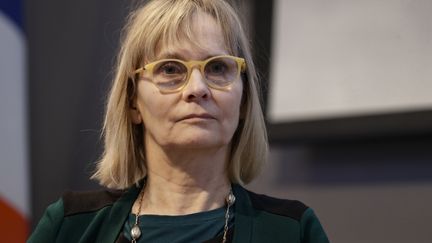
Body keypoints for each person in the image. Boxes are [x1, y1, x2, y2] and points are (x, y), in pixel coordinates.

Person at [28, 0, 329, 242]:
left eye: (217, 68)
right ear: (133, 101)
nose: (198, 89)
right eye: (170, 69)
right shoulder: (69, 226)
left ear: (244, 100)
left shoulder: (292, 231)